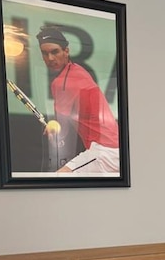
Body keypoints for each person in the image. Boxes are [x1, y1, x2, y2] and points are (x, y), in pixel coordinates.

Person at [36, 25, 120, 174]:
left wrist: (53, 129)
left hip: (105, 151)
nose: (50, 58)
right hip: (116, 151)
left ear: (66, 51)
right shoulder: (78, 70)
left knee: (57, 180)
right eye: (45, 53)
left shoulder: (63, 82)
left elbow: (62, 129)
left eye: (55, 52)